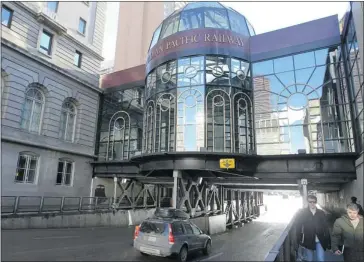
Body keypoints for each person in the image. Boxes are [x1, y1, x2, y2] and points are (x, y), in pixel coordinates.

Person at [295, 195, 331, 262]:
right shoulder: (303, 213)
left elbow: (325, 227)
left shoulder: (321, 212)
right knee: (310, 260)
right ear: (307, 202)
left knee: (321, 259)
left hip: (320, 239)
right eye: (310, 202)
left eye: (314, 202)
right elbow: (298, 226)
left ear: (316, 202)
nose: (312, 203)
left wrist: (328, 241)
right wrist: (298, 238)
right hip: (308, 239)